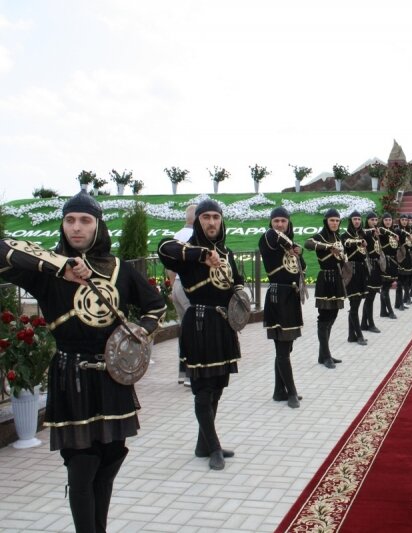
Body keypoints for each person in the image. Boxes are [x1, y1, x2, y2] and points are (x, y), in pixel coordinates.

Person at [0, 191, 166, 532]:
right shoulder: (46, 269)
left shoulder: (119, 269)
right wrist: (59, 266)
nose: (77, 227)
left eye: (85, 220)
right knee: (81, 466)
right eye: (70, 220)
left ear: (98, 225)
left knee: (109, 460)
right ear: (63, 224)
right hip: (70, 375)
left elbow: (156, 307)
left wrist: (137, 335)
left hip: (112, 378)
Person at [157, 198, 243, 470]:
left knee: (217, 387)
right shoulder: (188, 252)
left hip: (223, 324)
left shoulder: (227, 253)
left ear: (221, 220)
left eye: (215, 217)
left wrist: (242, 292)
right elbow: (162, 247)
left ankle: (202, 443)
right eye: (205, 217)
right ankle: (214, 447)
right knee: (203, 392)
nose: (211, 222)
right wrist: (202, 255)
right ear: (197, 221)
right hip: (199, 324)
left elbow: (237, 281)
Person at [258, 207, 305, 409]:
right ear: (271, 223)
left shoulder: (290, 248)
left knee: (287, 346)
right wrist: (293, 244)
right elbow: (273, 236)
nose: (279, 224)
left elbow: (301, 267)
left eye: (283, 221)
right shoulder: (268, 239)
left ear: (288, 223)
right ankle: (291, 392)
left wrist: (298, 252)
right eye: (276, 220)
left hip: (292, 298)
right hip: (278, 297)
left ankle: (279, 390)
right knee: (282, 348)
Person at [304, 208, 346, 368]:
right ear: (326, 221)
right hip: (325, 278)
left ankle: (324, 354)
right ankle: (325, 355)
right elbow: (308, 244)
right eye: (332, 220)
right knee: (324, 317)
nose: (334, 223)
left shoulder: (338, 237)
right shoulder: (320, 236)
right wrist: (327, 247)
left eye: (337, 220)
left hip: (337, 279)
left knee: (333, 315)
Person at [167, 203, 196, 386]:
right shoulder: (195, 237)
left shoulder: (176, 236)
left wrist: (171, 286)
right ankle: (191, 374)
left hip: (177, 286)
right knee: (194, 329)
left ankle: (182, 371)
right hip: (189, 288)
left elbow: (169, 266)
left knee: (183, 329)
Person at [343, 211, 369, 345]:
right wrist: (360, 241)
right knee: (354, 303)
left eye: (359, 219)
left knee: (356, 303)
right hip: (351, 270)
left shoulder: (363, 234)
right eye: (355, 219)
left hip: (361, 270)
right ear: (350, 220)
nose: (357, 221)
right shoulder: (345, 235)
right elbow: (347, 243)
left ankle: (351, 335)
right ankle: (359, 335)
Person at [360, 212, 383, 333]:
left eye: (376, 220)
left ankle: (364, 323)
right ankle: (370, 323)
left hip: (376, 266)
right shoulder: (365, 232)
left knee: (371, 297)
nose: (374, 222)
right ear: (367, 221)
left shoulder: (375, 234)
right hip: (369, 267)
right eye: (372, 220)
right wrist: (371, 231)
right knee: (369, 297)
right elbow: (361, 234)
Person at [378, 213, 399, 320]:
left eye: (389, 220)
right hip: (385, 262)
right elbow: (382, 230)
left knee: (386, 287)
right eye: (386, 220)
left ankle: (383, 311)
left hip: (392, 262)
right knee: (385, 288)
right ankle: (390, 311)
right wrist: (394, 235)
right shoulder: (381, 231)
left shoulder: (394, 231)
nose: (388, 222)